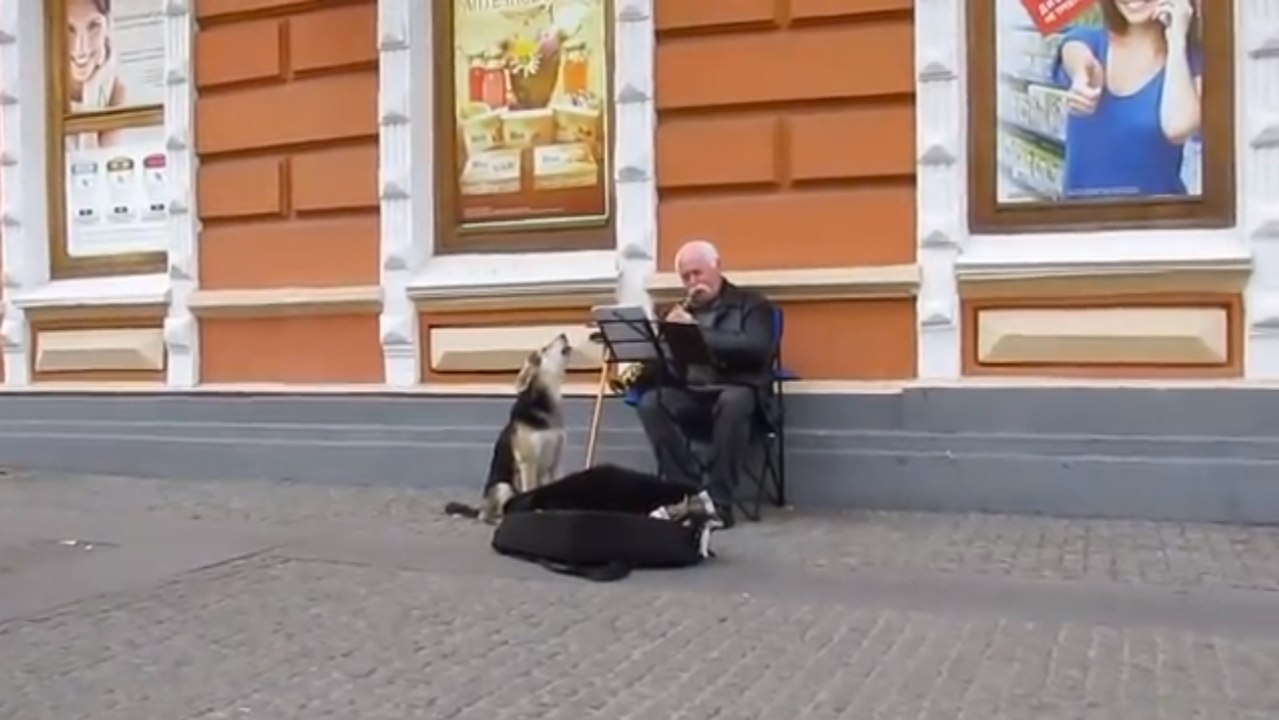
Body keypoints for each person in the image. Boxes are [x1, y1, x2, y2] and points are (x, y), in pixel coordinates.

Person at [634, 240, 775, 528]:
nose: (693, 283)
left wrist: (697, 331)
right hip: (694, 394)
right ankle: (686, 493)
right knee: (651, 402)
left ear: (717, 266)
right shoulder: (683, 312)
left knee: (734, 401)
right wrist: (655, 351)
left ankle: (719, 503)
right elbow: (671, 366)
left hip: (739, 391)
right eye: (686, 278)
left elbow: (758, 349)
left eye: (698, 273)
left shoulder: (753, 305)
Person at [1053, 0, 1202, 198]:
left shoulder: (1191, 62)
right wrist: (1081, 76)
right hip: (1083, 221)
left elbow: (1178, 128)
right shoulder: (1088, 42)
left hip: (1157, 222)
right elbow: (1074, 53)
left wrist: (1177, 42)